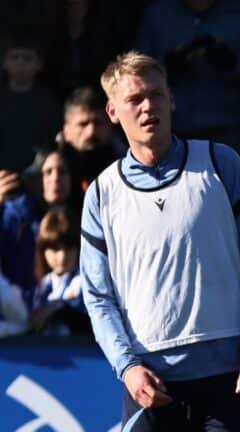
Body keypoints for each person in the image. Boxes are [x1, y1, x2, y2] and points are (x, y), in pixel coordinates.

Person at [80, 51, 240, 430]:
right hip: (151, 384)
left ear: (171, 98)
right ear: (112, 112)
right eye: (134, 100)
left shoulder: (221, 164)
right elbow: (97, 296)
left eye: (155, 94)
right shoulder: (103, 193)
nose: (147, 107)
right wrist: (127, 368)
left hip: (230, 379)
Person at [135, 0, 240, 158]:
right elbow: (133, 76)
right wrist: (166, 66)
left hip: (231, 133)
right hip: (170, 133)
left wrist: (234, 62)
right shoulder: (157, 15)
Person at [0, 148, 77, 308]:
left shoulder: (85, 214)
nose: (55, 178)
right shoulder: (15, 215)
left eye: (62, 172)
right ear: (35, 178)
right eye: (47, 172)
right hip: (17, 310)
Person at [0, 32, 61, 173]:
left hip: (36, 174)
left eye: (27, 58)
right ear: (4, 62)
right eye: (14, 57)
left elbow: (52, 142)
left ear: (39, 64)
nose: (20, 63)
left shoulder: (48, 102)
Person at [30, 207, 90, 336]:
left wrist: (57, 308)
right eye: (54, 249)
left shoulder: (87, 281)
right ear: (42, 250)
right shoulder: (41, 285)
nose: (62, 256)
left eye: (69, 248)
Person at [59, 86, 121, 192]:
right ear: (66, 130)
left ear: (110, 126)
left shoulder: (129, 167)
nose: (91, 131)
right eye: (83, 124)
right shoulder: (46, 174)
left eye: (98, 123)